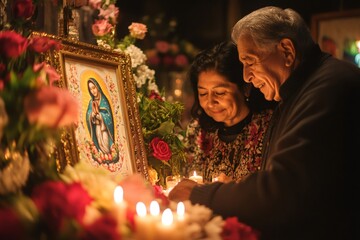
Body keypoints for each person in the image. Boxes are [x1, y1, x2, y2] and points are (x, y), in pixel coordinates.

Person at [169, 6, 360, 240]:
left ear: (287, 51)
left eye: (250, 62)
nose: (247, 76)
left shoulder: (329, 87)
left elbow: (283, 191)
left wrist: (201, 195)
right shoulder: (296, 92)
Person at [184, 41, 276, 183]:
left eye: (220, 92)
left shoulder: (269, 128)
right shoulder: (198, 130)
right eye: (203, 93)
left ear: (245, 88)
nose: (210, 102)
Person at [86, 77, 118, 164]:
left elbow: (109, 116)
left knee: (106, 146)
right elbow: (88, 115)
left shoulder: (104, 100)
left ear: (97, 87)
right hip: (97, 128)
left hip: (104, 128)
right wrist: (91, 115)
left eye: (94, 88)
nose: (93, 91)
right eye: (90, 89)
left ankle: (109, 157)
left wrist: (100, 116)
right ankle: (103, 157)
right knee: (99, 143)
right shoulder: (90, 102)